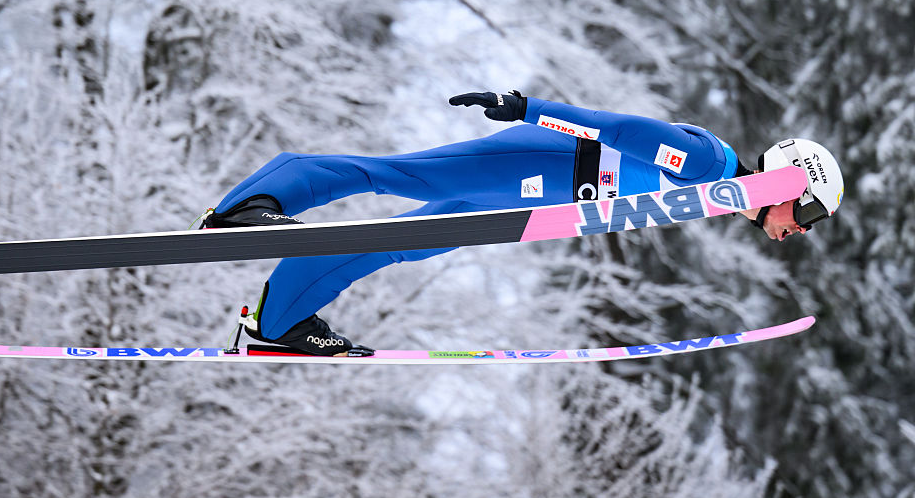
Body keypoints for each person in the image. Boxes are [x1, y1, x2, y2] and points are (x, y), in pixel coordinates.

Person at [200, 91, 844, 356]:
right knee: (393, 175)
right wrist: (527, 107)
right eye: (809, 212)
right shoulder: (708, 161)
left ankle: (275, 324)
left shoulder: (719, 192)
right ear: (792, 178)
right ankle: (251, 205)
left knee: (396, 242)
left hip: (533, 205)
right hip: (537, 166)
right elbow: (615, 130)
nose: (803, 229)